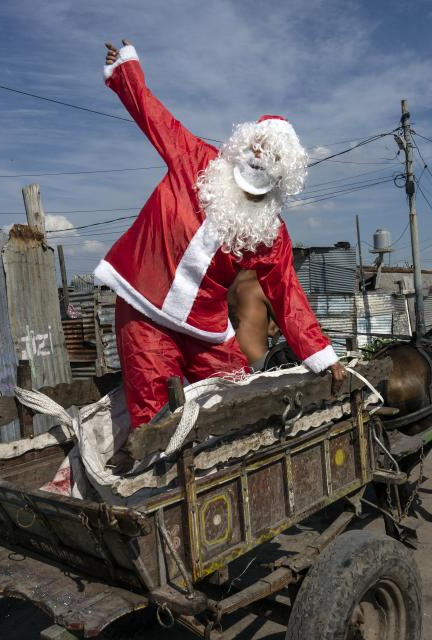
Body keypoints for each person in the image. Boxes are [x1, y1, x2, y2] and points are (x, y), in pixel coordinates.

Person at [95, 40, 345, 429]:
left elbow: (287, 295)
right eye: (258, 149)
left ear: (282, 178)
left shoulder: (271, 234)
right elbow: (151, 113)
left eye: (272, 160)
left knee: (240, 402)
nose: (261, 159)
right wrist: (126, 69)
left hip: (205, 329)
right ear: (244, 146)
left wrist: (323, 356)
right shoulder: (194, 159)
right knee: (158, 422)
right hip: (144, 309)